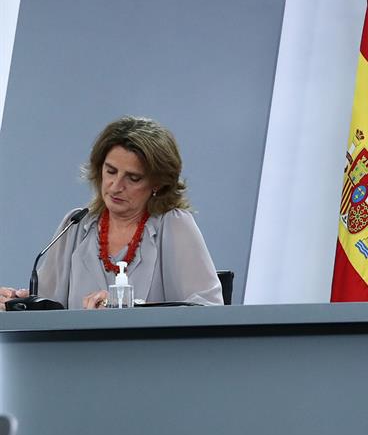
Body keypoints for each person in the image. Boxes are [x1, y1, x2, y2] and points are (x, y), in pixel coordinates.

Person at [0, 117, 223, 309]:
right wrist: (18, 303)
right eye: (111, 171)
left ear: (158, 183)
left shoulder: (173, 224)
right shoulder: (75, 225)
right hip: (76, 356)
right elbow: (48, 306)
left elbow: (207, 307)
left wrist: (129, 307)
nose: (116, 186)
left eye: (133, 178)